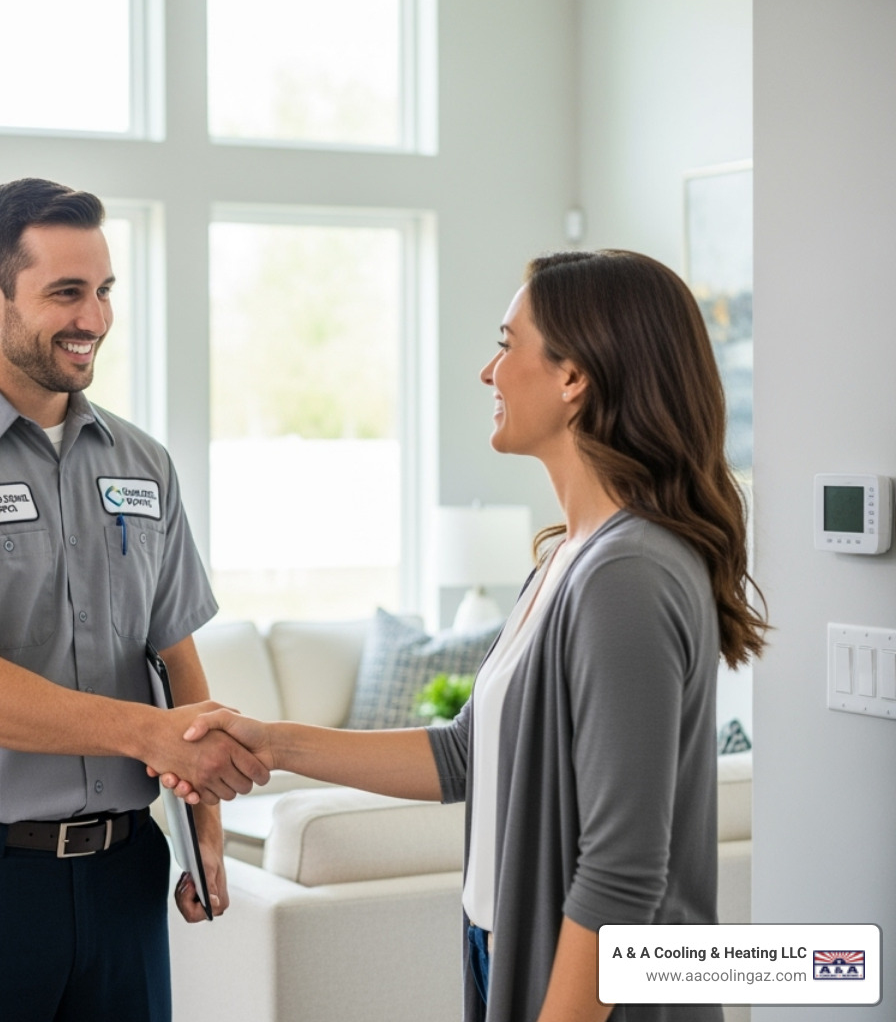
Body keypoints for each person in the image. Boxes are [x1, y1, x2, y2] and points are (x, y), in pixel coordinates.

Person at [159, 249, 768, 1022]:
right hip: (502, 952)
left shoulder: (627, 576)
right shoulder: (566, 559)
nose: (489, 371)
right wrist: (273, 743)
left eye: (508, 345)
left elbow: (621, 873)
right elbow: (465, 755)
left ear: (575, 378)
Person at [0, 177, 266, 1022]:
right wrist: (145, 733)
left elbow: (174, 655)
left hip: (122, 878)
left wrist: (202, 829)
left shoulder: (144, 464)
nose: (94, 318)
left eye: (104, 290)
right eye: (66, 292)